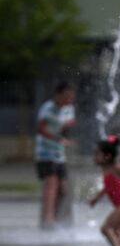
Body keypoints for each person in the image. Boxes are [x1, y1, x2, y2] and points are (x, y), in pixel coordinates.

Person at [35, 82, 76, 229]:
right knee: (51, 185)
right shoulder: (48, 108)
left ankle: (58, 218)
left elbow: (68, 125)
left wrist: (66, 136)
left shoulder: (69, 109)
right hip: (45, 153)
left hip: (60, 154)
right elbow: (40, 129)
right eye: (66, 96)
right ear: (58, 95)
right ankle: (48, 220)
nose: (69, 100)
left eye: (71, 97)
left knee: (63, 188)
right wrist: (57, 139)